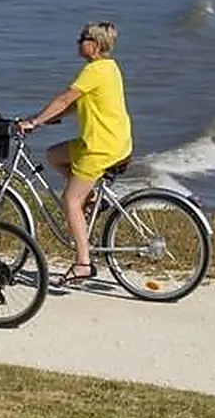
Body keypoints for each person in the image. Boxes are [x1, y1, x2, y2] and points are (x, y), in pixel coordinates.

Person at [19, 21, 132, 286]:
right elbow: (76, 104)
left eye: (82, 38)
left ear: (94, 44)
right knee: (54, 155)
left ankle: (83, 264)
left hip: (100, 148)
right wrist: (41, 119)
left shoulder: (93, 71)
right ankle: (91, 197)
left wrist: (34, 123)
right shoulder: (110, 68)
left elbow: (65, 98)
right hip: (113, 141)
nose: (78, 42)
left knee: (70, 201)